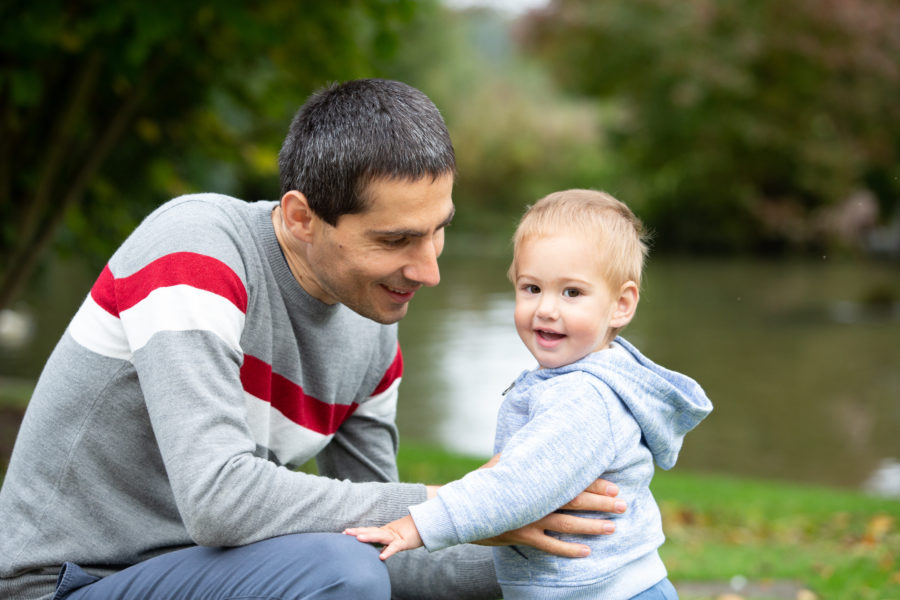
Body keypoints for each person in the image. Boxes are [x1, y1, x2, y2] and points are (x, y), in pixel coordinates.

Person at [0, 80, 626, 600]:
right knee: (340, 577)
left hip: (217, 572)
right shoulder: (194, 252)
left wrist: (557, 557)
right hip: (66, 585)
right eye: (395, 240)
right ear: (302, 218)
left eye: (439, 230)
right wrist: (458, 503)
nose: (429, 269)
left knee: (538, 581)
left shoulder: (374, 333)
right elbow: (218, 499)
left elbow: (385, 544)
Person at [346, 189, 714, 599]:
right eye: (532, 288)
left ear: (621, 305)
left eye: (571, 292)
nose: (546, 309)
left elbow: (516, 487)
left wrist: (417, 524)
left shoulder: (587, 397)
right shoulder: (564, 381)